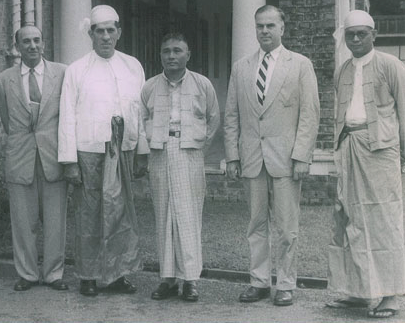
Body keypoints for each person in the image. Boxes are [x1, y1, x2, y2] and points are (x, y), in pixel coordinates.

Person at [224, 5, 320, 306]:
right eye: (259, 26)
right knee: (255, 223)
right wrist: (233, 156)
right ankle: (259, 281)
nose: (264, 31)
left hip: (286, 157)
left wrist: (302, 156)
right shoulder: (241, 66)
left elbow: (310, 114)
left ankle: (286, 284)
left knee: (287, 226)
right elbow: (232, 115)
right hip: (252, 155)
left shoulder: (300, 64)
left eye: (270, 26)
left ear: (282, 28)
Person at [58, 5, 149, 296]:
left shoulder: (133, 66)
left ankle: (118, 274)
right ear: (91, 34)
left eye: (111, 30)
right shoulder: (77, 69)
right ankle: (88, 275)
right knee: (90, 214)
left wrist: (141, 151)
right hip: (89, 152)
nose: (106, 36)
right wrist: (69, 161)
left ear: (119, 32)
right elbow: (67, 115)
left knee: (121, 213)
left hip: (122, 151)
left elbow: (141, 112)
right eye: (100, 31)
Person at [325, 10, 405, 319]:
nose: (355, 39)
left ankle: (389, 295)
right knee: (348, 220)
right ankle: (357, 293)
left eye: (361, 33)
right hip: (348, 147)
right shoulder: (343, 69)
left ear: (374, 34)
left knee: (383, 221)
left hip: (381, 151)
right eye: (350, 34)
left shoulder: (391, 65)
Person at [141, 33, 219, 302]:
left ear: (188, 54)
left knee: (188, 216)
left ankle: (190, 280)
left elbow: (213, 120)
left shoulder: (202, 84)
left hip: (189, 153)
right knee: (164, 215)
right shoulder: (150, 86)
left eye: (177, 51)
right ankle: (168, 278)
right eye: (166, 51)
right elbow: (142, 119)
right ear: (160, 55)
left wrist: (197, 149)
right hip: (160, 152)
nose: (171, 56)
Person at [0, 25, 68, 292]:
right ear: (17, 46)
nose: (32, 46)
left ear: (44, 43)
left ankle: (53, 273)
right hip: (20, 156)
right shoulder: (6, 79)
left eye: (36, 40)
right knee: (23, 220)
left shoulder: (61, 73)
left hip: (53, 156)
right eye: (25, 41)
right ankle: (26, 273)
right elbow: (7, 120)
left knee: (55, 220)